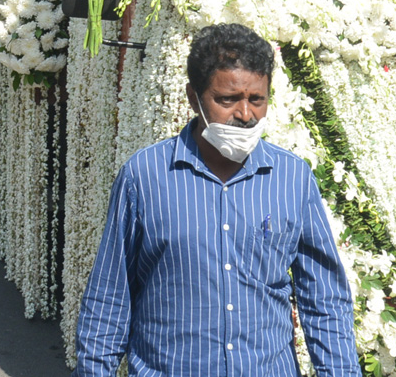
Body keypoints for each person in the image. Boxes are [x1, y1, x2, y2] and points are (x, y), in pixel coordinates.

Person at [72, 23, 360, 377]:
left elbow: (325, 298)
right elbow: (109, 295)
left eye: (257, 99)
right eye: (227, 100)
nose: (245, 114)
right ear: (194, 98)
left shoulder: (293, 179)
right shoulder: (144, 176)